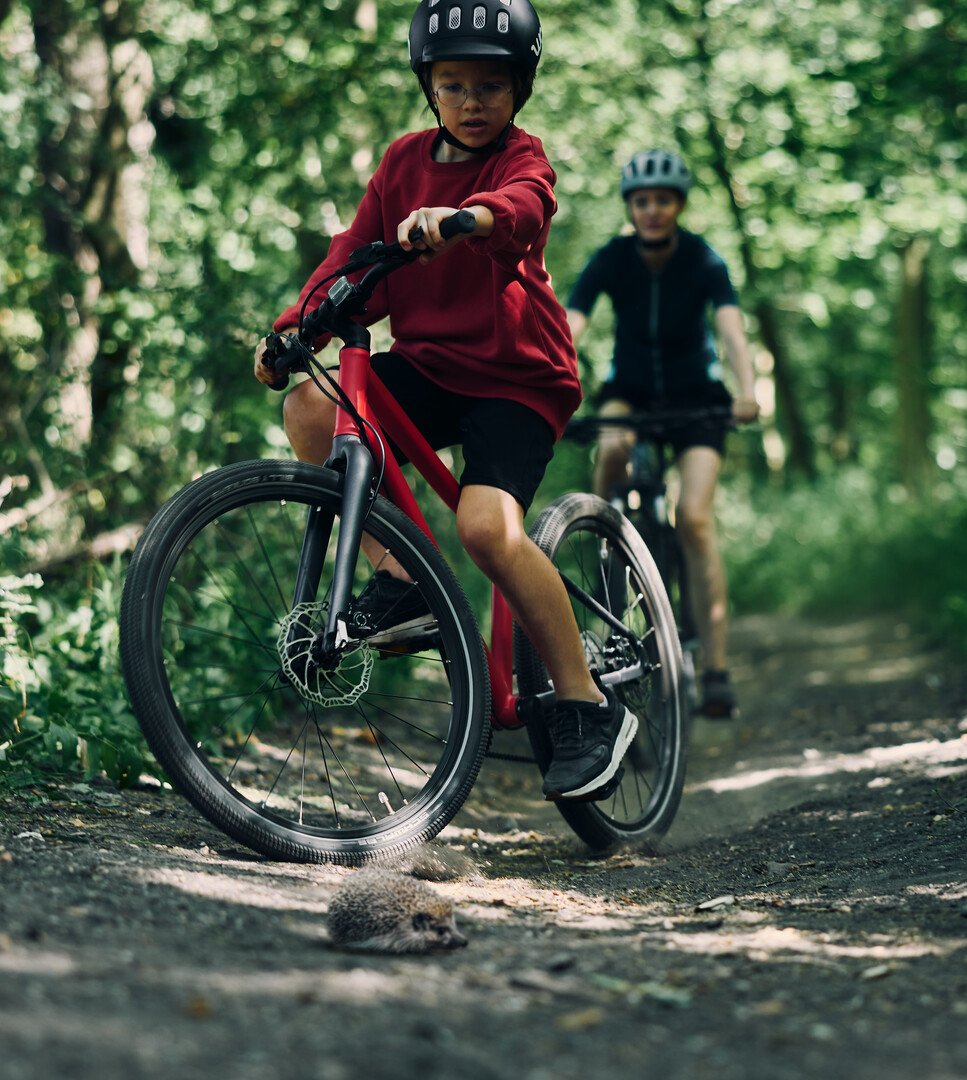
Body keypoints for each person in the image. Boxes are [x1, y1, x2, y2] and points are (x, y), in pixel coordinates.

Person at [253, 1, 636, 802]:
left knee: (486, 527)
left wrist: (468, 218)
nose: (471, 101)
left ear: (518, 92)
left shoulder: (520, 158)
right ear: (428, 88)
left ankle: (584, 704)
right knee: (311, 411)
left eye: (491, 86)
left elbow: (525, 209)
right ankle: (400, 577)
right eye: (453, 84)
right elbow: (352, 256)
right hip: (429, 364)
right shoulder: (400, 165)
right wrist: (295, 330)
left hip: (517, 378)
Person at [563, 149, 760, 718]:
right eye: (642, 201)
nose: (652, 210)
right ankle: (607, 542)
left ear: (678, 205)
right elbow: (569, 328)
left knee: (694, 518)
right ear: (631, 206)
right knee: (612, 444)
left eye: (663, 200)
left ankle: (717, 667)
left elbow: (731, 331)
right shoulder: (612, 259)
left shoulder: (703, 260)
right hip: (633, 390)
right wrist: (549, 382)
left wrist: (747, 392)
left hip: (698, 399)